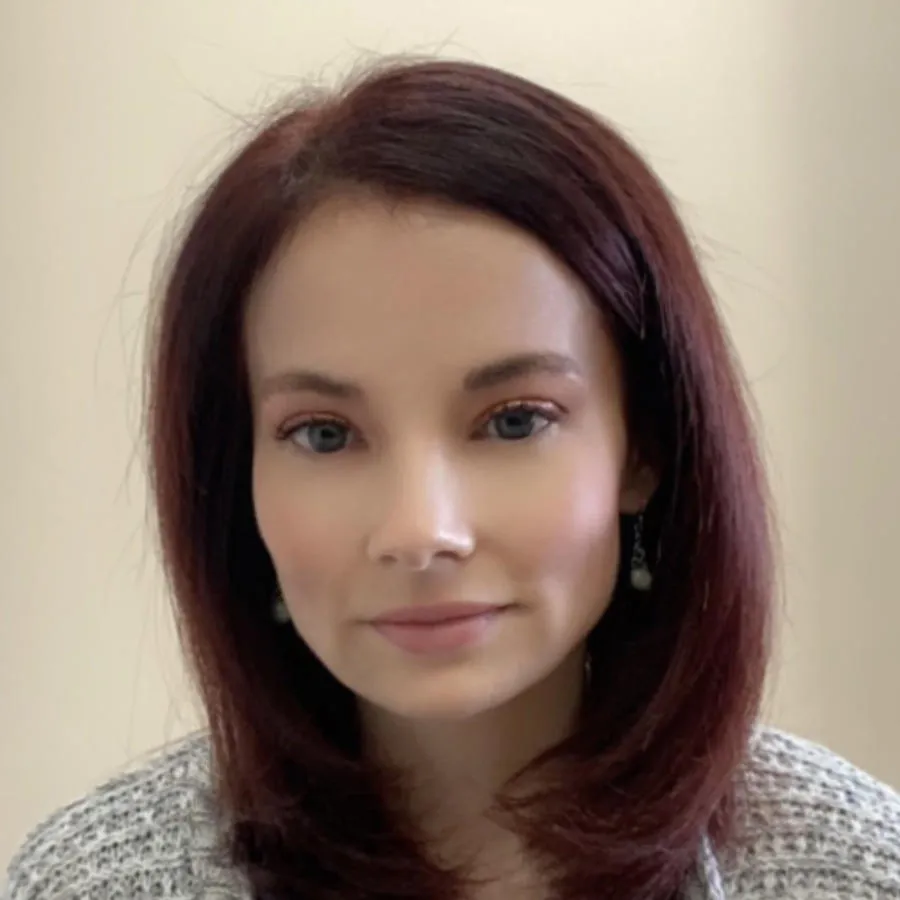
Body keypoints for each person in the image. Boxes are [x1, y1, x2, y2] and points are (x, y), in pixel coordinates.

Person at [4, 57, 899, 900]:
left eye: (515, 421)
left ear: (644, 447)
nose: (419, 529)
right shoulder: (92, 882)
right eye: (324, 434)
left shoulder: (856, 872)